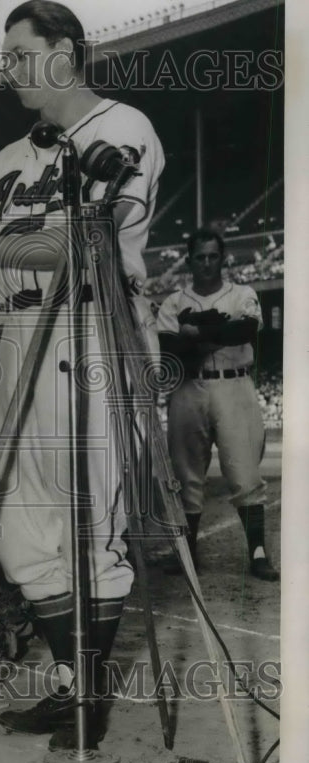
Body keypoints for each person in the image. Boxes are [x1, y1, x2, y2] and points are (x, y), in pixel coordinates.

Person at [0, 0, 165, 746]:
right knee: (19, 532)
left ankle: (86, 705)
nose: (7, 68)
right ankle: (77, 684)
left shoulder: (122, 128)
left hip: (93, 328)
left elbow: (90, 243)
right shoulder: (10, 159)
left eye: (20, 53)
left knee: (89, 524)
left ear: (66, 51)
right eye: (5, 57)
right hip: (18, 336)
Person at [156, 228, 278, 581]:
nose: (207, 263)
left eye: (213, 256)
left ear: (223, 258)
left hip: (234, 385)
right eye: (200, 257)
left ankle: (258, 554)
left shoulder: (242, 294)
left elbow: (247, 331)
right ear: (189, 261)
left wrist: (196, 333)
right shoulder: (174, 301)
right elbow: (169, 349)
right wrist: (217, 334)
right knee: (185, 475)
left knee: (245, 472)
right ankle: (187, 554)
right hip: (188, 387)